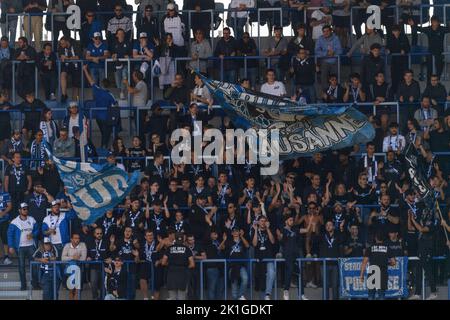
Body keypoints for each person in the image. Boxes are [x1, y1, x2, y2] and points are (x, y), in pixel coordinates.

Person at [83, 65, 118, 149]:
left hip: (98, 118)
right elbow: (115, 105)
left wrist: (85, 70)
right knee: (106, 134)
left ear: (101, 84)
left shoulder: (97, 90)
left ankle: (104, 148)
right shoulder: (110, 94)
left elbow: (90, 80)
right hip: (107, 118)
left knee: (104, 134)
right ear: (109, 85)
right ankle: (103, 148)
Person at [408, 207, 438, 300]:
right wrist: (409, 217)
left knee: (427, 269)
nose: (423, 214)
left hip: (427, 248)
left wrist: (413, 219)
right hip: (420, 248)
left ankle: (433, 292)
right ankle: (417, 293)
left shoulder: (432, 223)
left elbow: (422, 229)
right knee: (418, 270)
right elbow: (410, 228)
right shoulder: (421, 222)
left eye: (425, 213)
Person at [7, 202, 39, 290]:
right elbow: (10, 235)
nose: (26, 210)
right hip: (20, 248)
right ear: (19, 210)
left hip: (31, 246)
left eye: (27, 209)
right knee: (21, 267)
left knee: (34, 266)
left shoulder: (32, 219)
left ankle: (35, 284)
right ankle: (23, 285)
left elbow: (37, 230)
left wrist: (33, 235)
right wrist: (10, 246)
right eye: (24, 209)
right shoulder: (14, 222)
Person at [407, 15, 450, 80]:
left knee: (440, 67)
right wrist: (412, 25)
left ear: (438, 23)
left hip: (439, 52)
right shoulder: (428, 29)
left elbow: (449, 29)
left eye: (436, 22)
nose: (434, 24)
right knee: (429, 68)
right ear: (431, 22)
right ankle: (429, 82)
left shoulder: (442, 29)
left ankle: (437, 80)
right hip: (430, 51)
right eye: (433, 22)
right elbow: (420, 29)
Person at [360, 231, 395, 300]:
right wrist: (387, 263)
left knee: (371, 295)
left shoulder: (370, 248)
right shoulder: (387, 248)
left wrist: (361, 275)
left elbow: (364, 262)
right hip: (382, 272)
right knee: (381, 295)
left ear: (375, 238)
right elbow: (393, 262)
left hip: (372, 272)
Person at [161, 232, 195, 300]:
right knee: (182, 297)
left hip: (171, 274)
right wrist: (184, 267)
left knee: (172, 297)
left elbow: (163, 262)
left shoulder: (169, 248)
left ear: (175, 239)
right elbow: (192, 264)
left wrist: (171, 264)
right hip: (183, 274)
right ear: (183, 239)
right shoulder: (187, 249)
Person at [222, 226, 250, 300]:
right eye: (234, 231)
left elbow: (247, 246)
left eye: (237, 231)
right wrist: (224, 240)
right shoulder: (229, 241)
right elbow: (220, 248)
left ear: (239, 232)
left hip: (241, 265)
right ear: (231, 233)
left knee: (245, 278)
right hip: (232, 266)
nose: (235, 233)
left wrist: (242, 237)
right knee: (234, 285)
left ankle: (240, 295)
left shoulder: (242, 241)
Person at [319, 220, 343, 300]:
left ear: (333, 226)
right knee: (325, 285)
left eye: (330, 225)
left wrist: (341, 229)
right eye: (327, 225)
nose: (328, 226)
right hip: (324, 264)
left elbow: (344, 240)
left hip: (335, 264)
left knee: (335, 285)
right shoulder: (322, 236)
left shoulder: (338, 235)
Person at [4, 152, 32, 216]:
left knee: (23, 208)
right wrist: (6, 192)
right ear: (13, 159)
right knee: (12, 209)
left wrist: (28, 190)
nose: (19, 159)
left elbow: (30, 180)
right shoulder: (9, 167)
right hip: (12, 192)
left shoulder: (25, 167)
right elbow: (6, 181)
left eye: (20, 157)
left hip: (23, 192)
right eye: (17, 157)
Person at [315, 25, 343, 90]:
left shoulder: (336, 38)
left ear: (331, 31)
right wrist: (326, 53)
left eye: (327, 31)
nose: (326, 33)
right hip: (324, 61)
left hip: (335, 61)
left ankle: (335, 94)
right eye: (324, 31)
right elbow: (316, 51)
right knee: (324, 79)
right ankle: (325, 95)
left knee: (335, 79)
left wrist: (333, 53)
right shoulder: (320, 39)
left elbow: (340, 51)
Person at [138, 229, 164, 300]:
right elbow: (139, 257)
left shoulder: (158, 243)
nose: (150, 237)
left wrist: (159, 261)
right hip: (146, 264)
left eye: (151, 235)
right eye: (148, 235)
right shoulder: (142, 244)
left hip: (156, 264)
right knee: (142, 279)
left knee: (157, 284)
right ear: (145, 237)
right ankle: (145, 298)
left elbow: (164, 256)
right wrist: (137, 256)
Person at [61, 233, 87, 299]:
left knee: (74, 267)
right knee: (73, 265)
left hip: (79, 268)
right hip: (68, 269)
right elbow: (62, 258)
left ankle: (71, 290)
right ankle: (76, 291)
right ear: (71, 239)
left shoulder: (83, 245)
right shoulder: (67, 245)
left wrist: (73, 259)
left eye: (78, 238)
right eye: (75, 238)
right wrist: (73, 257)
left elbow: (83, 258)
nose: (77, 240)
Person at [86, 227, 110, 300]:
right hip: (94, 267)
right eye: (97, 233)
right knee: (93, 283)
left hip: (104, 267)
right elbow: (88, 254)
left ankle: (103, 298)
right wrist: (88, 257)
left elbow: (110, 253)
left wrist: (110, 258)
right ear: (94, 234)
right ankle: (95, 297)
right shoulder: (90, 243)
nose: (99, 235)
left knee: (104, 284)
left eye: (100, 233)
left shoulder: (106, 242)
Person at [58, 37, 82, 102]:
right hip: (66, 65)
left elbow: (78, 56)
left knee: (75, 85)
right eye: (61, 44)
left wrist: (69, 58)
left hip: (76, 65)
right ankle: (64, 94)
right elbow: (60, 56)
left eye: (63, 43)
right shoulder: (61, 47)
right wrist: (62, 57)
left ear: (67, 42)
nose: (62, 45)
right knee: (62, 74)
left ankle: (74, 102)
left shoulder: (76, 45)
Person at [111, 28, 132, 100]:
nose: (121, 35)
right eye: (119, 34)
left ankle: (122, 92)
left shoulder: (128, 43)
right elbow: (112, 54)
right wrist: (113, 55)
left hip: (125, 64)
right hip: (117, 65)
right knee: (118, 80)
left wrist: (122, 55)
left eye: (122, 33)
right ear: (116, 35)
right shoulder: (113, 43)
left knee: (124, 76)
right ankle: (120, 92)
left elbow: (130, 54)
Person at [0, 178, 12, 265]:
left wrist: (3, 213)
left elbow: (9, 206)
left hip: (4, 220)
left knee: (5, 239)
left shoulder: (5, 194)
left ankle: (6, 257)